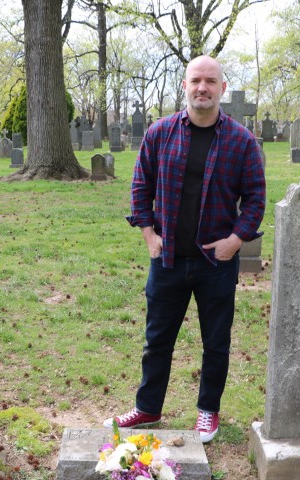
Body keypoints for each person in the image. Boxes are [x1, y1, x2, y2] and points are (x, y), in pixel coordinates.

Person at [103, 55, 265, 443]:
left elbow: (256, 198)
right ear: (185, 85)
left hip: (216, 263)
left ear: (222, 89)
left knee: (216, 342)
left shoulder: (241, 141)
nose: (202, 88)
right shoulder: (159, 134)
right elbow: (140, 187)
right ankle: (148, 407)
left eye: (210, 81)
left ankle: (208, 412)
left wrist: (235, 242)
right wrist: (149, 236)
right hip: (169, 260)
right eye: (196, 80)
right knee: (157, 338)